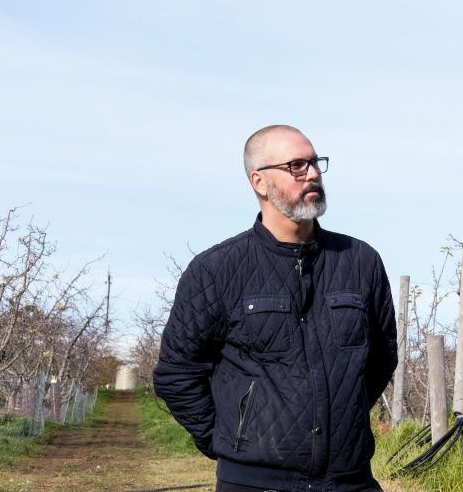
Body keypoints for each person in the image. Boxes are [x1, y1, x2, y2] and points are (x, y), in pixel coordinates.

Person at [153, 125, 398, 492]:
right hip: (254, 482)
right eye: (296, 166)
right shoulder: (216, 270)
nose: (312, 174)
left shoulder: (361, 261)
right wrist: (229, 441)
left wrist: (346, 418)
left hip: (351, 480)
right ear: (260, 182)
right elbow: (177, 372)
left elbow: (381, 357)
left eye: (314, 162)